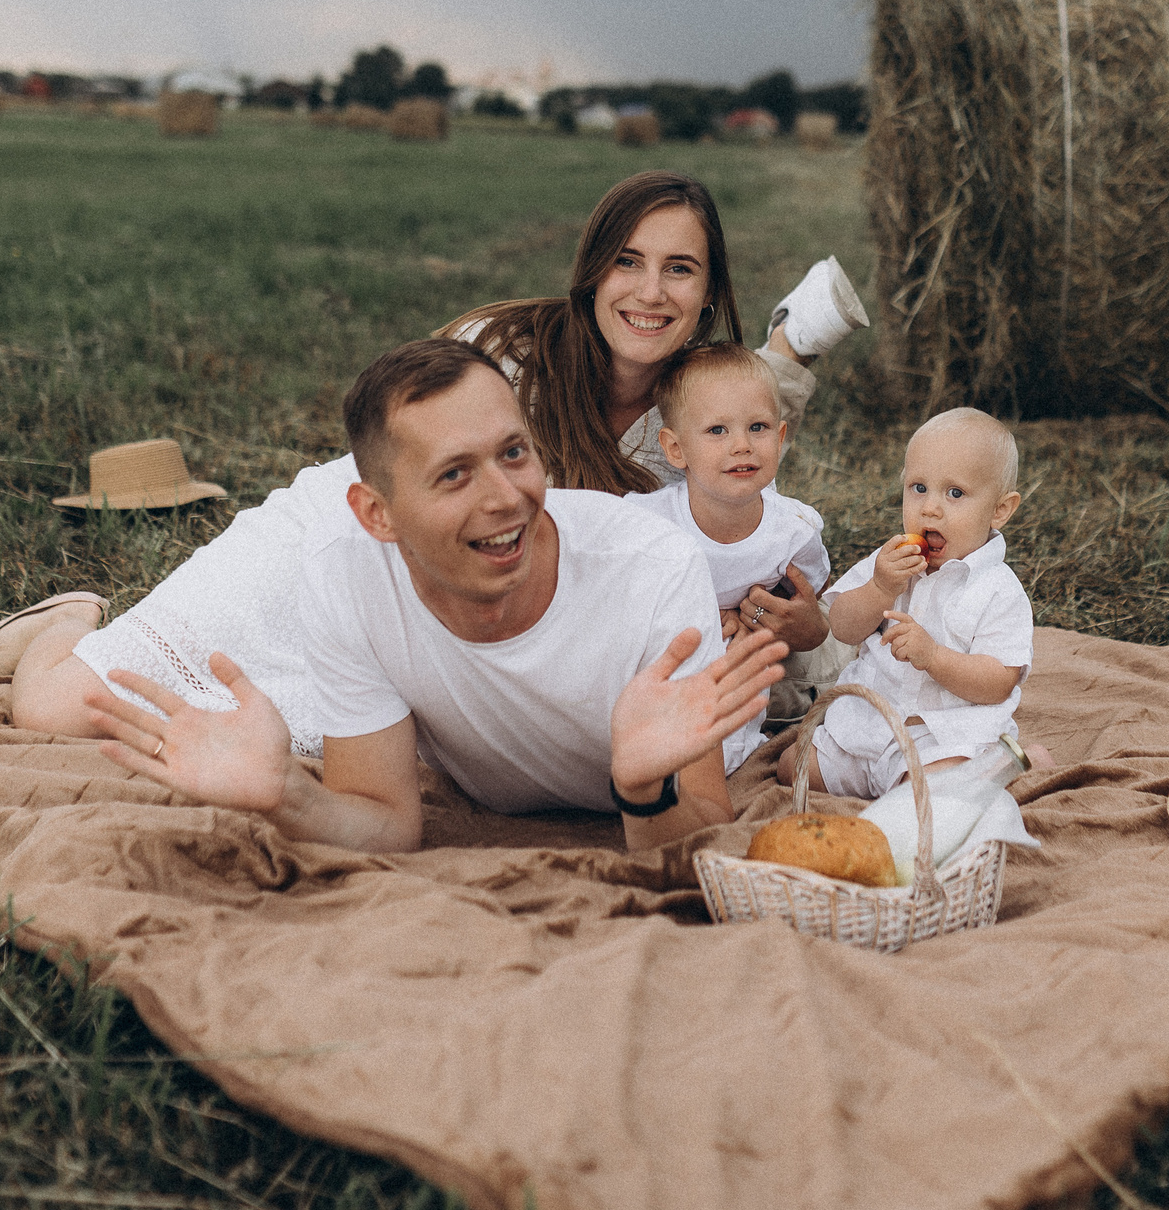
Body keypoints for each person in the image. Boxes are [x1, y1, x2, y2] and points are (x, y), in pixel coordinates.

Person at [0, 170, 865, 758]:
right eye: (629, 262)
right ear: (593, 273)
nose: (651, 291)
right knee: (65, 711)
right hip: (366, 536)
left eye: (680, 270)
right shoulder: (499, 347)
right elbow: (403, 457)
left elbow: (733, 582)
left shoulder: (705, 428)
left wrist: (787, 622)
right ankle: (68, 624)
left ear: (709, 296)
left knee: (292, 741)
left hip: (487, 614)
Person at [82, 340, 787, 849]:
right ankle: (65, 618)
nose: (507, 498)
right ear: (376, 515)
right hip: (321, 540)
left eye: (514, 452)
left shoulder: (652, 570)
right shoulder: (347, 573)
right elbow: (386, 820)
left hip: (628, 786)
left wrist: (645, 789)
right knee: (58, 698)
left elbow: (701, 834)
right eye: (456, 475)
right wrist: (287, 794)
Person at [780, 407, 1034, 801]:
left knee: (926, 795)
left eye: (955, 493)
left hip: (940, 739)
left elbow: (999, 682)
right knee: (791, 768)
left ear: (1000, 510)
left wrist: (934, 656)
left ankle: (1012, 764)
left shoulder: (998, 590)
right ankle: (887, 783)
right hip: (866, 729)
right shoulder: (890, 563)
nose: (930, 508)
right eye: (918, 488)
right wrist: (879, 587)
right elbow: (843, 626)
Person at [628, 343, 831, 655]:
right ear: (676, 449)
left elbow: (809, 599)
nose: (741, 445)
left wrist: (747, 616)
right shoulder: (647, 522)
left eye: (757, 427)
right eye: (717, 429)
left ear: (779, 439)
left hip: (746, 677)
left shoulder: (795, 532)